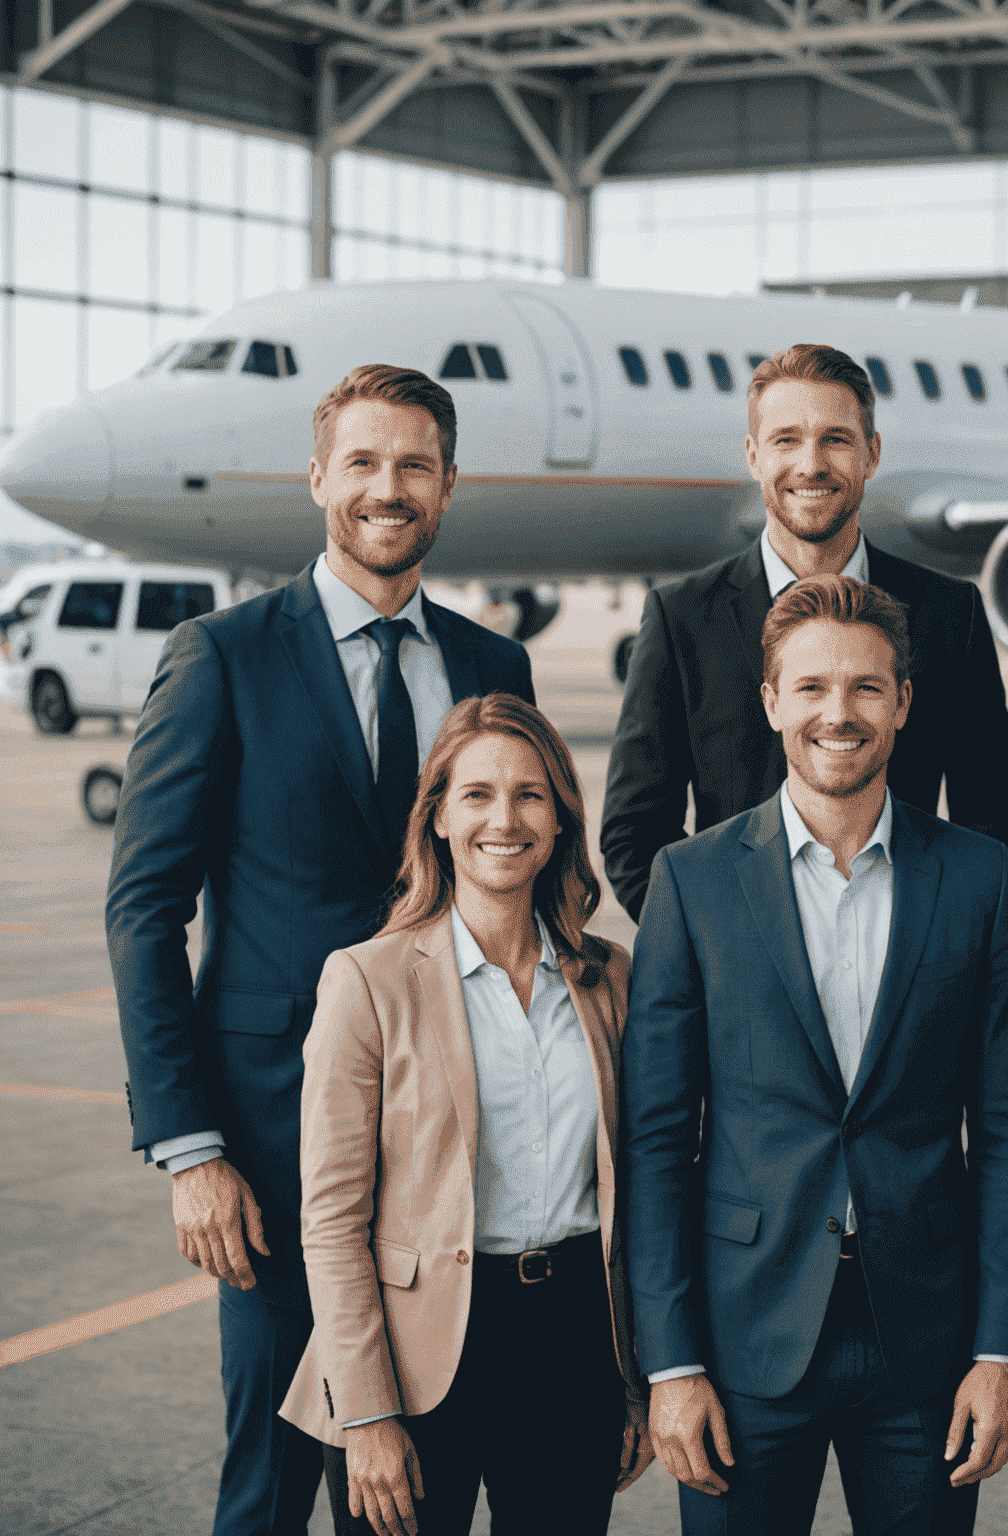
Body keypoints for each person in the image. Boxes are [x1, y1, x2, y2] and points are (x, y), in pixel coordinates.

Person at [105, 365, 536, 1536]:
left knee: (408, 1487)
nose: (386, 489)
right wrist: (190, 1148)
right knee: (273, 1481)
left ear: (448, 486)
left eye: (413, 466)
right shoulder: (224, 656)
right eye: (362, 463)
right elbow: (145, 909)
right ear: (318, 479)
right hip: (273, 1150)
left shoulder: (495, 672)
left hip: (455, 1154)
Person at [623, 574, 1008, 1536]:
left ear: (901, 703)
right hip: (742, 1341)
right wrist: (672, 1364)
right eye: (810, 688)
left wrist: (1001, 1348)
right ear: (770, 703)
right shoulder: (691, 881)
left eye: (863, 687)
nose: (837, 714)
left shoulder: (977, 879)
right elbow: (653, 1142)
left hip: (928, 1344)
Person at [279, 693, 652, 1536]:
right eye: (477, 794)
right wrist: (366, 1415)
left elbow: (639, 1199)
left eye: (530, 794)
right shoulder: (366, 982)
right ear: (439, 817)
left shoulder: (610, 981)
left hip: (573, 1345)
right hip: (411, 1353)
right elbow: (333, 1220)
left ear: (561, 820)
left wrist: (633, 1380)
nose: (504, 819)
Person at [600, 342, 1008, 922]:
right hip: (741, 986)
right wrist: (721, 955)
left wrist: (934, 953)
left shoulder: (951, 614)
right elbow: (635, 832)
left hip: (903, 973)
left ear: (871, 455)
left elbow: (990, 821)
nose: (811, 464)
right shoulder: (682, 619)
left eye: (836, 439)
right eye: (786, 440)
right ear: (753, 456)